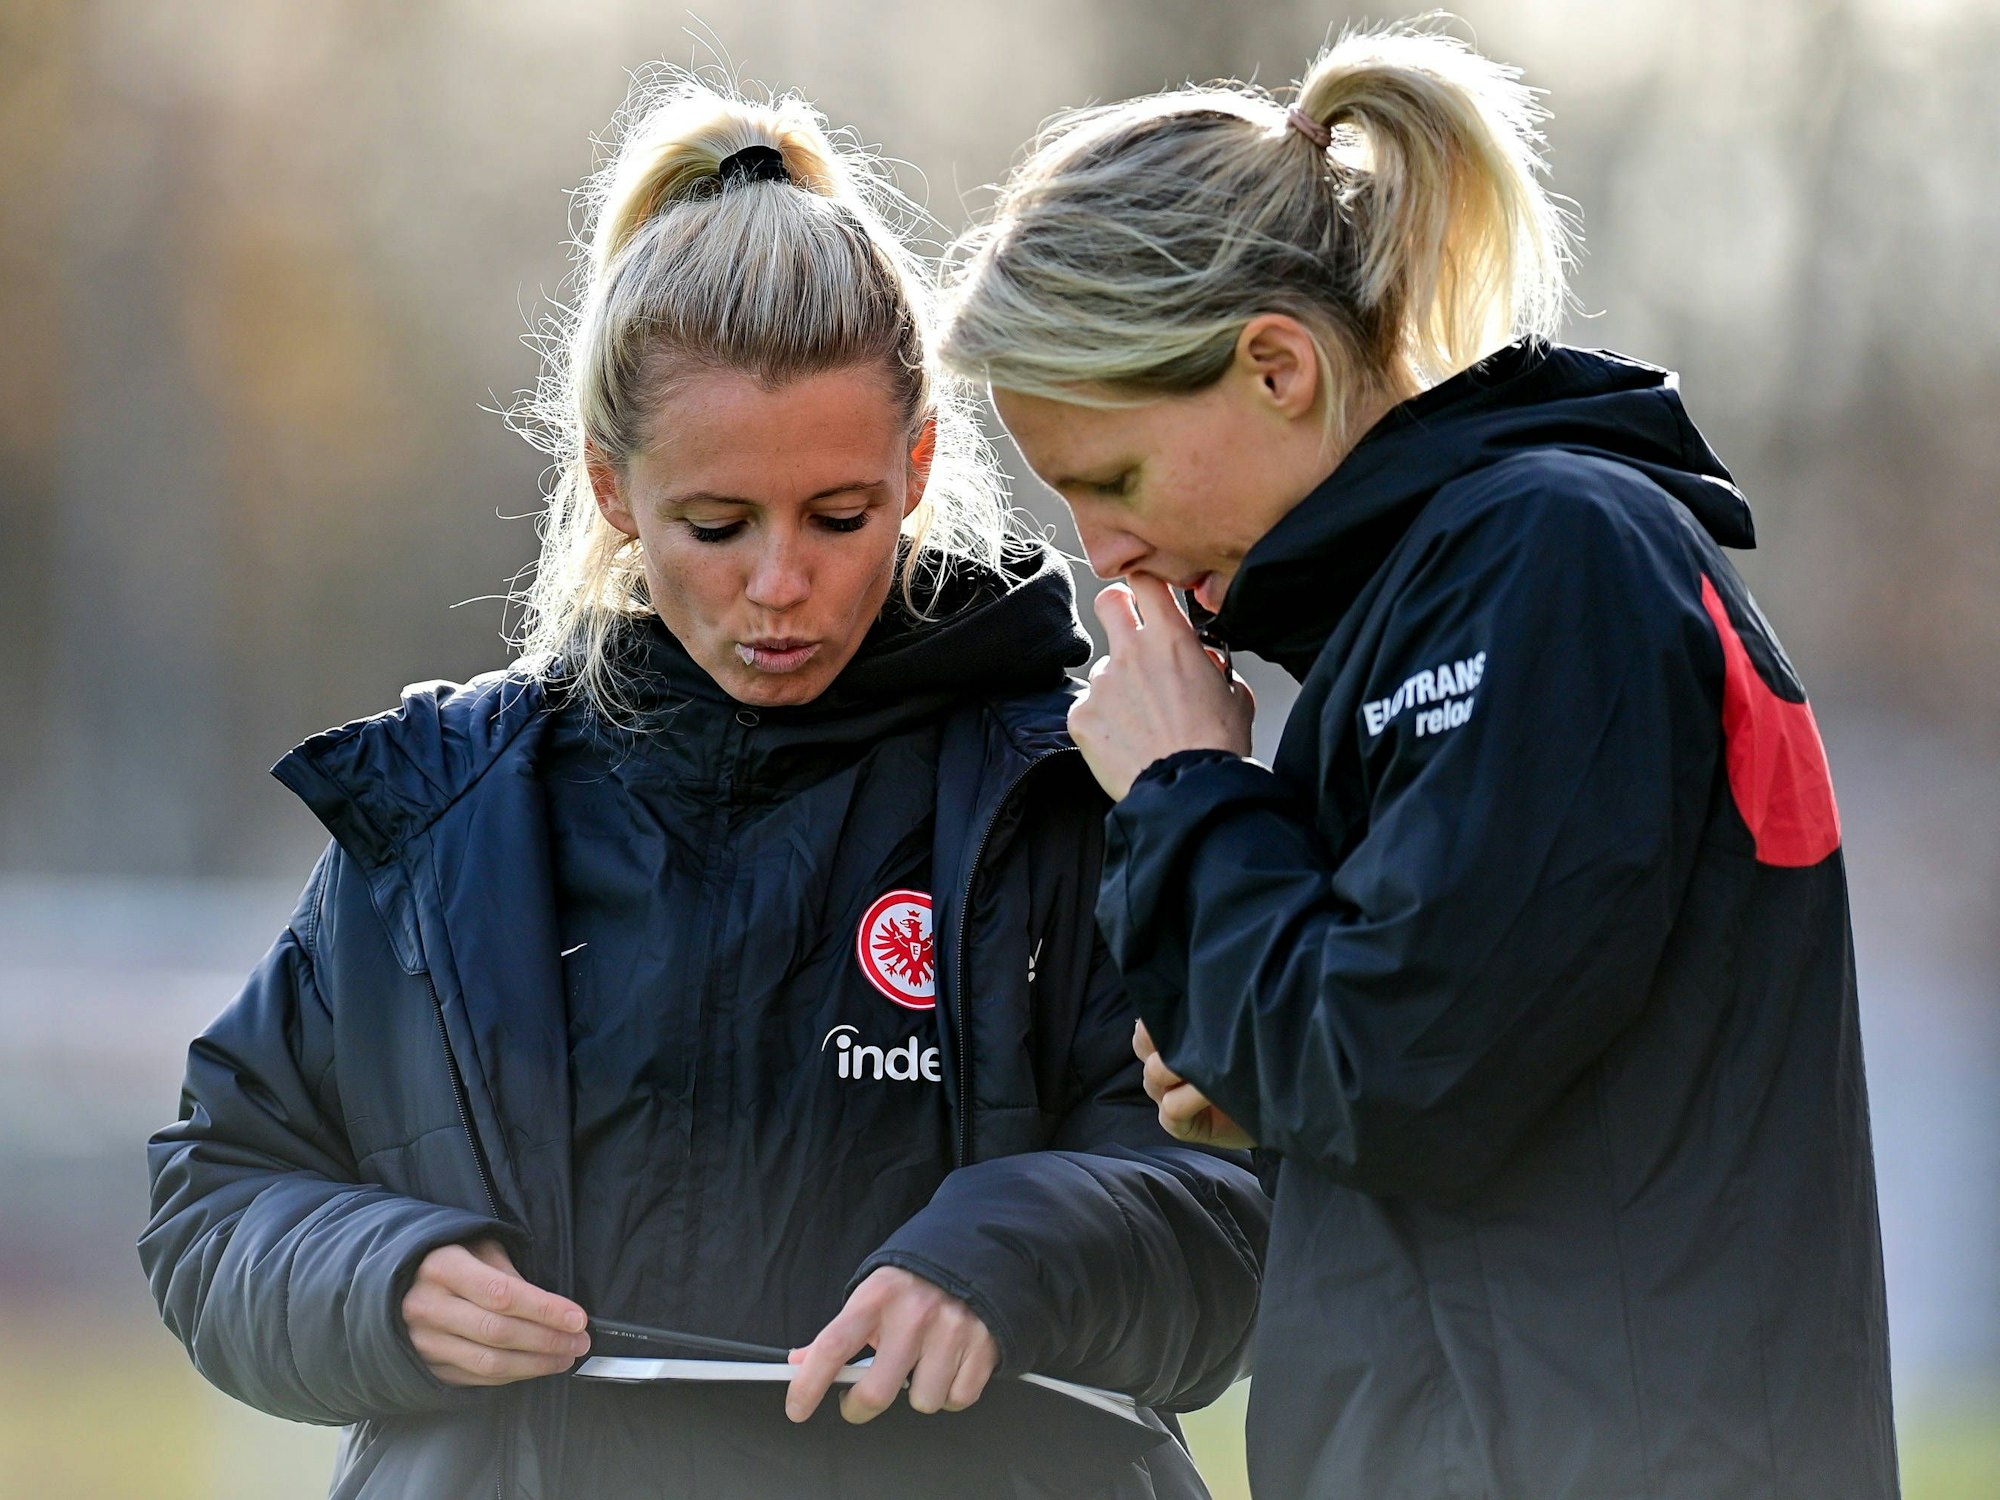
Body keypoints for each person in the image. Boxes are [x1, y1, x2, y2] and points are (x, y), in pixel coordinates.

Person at [138, 72, 1266, 1500]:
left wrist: (1008, 1256)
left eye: (839, 517)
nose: (780, 584)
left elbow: (1240, 1213)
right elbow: (215, 1197)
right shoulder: (438, 820)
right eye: (718, 525)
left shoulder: (1081, 796)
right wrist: (376, 1280)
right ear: (615, 492)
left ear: (917, 467)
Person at [937, 22, 1897, 1500]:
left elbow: (1404, 1068)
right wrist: (1256, 1080)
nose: (1103, 550)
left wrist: (1186, 789)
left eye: (1111, 479)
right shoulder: (1433, 608)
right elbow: (1470, 1071)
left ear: (1277, 365)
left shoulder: (1549, 560)